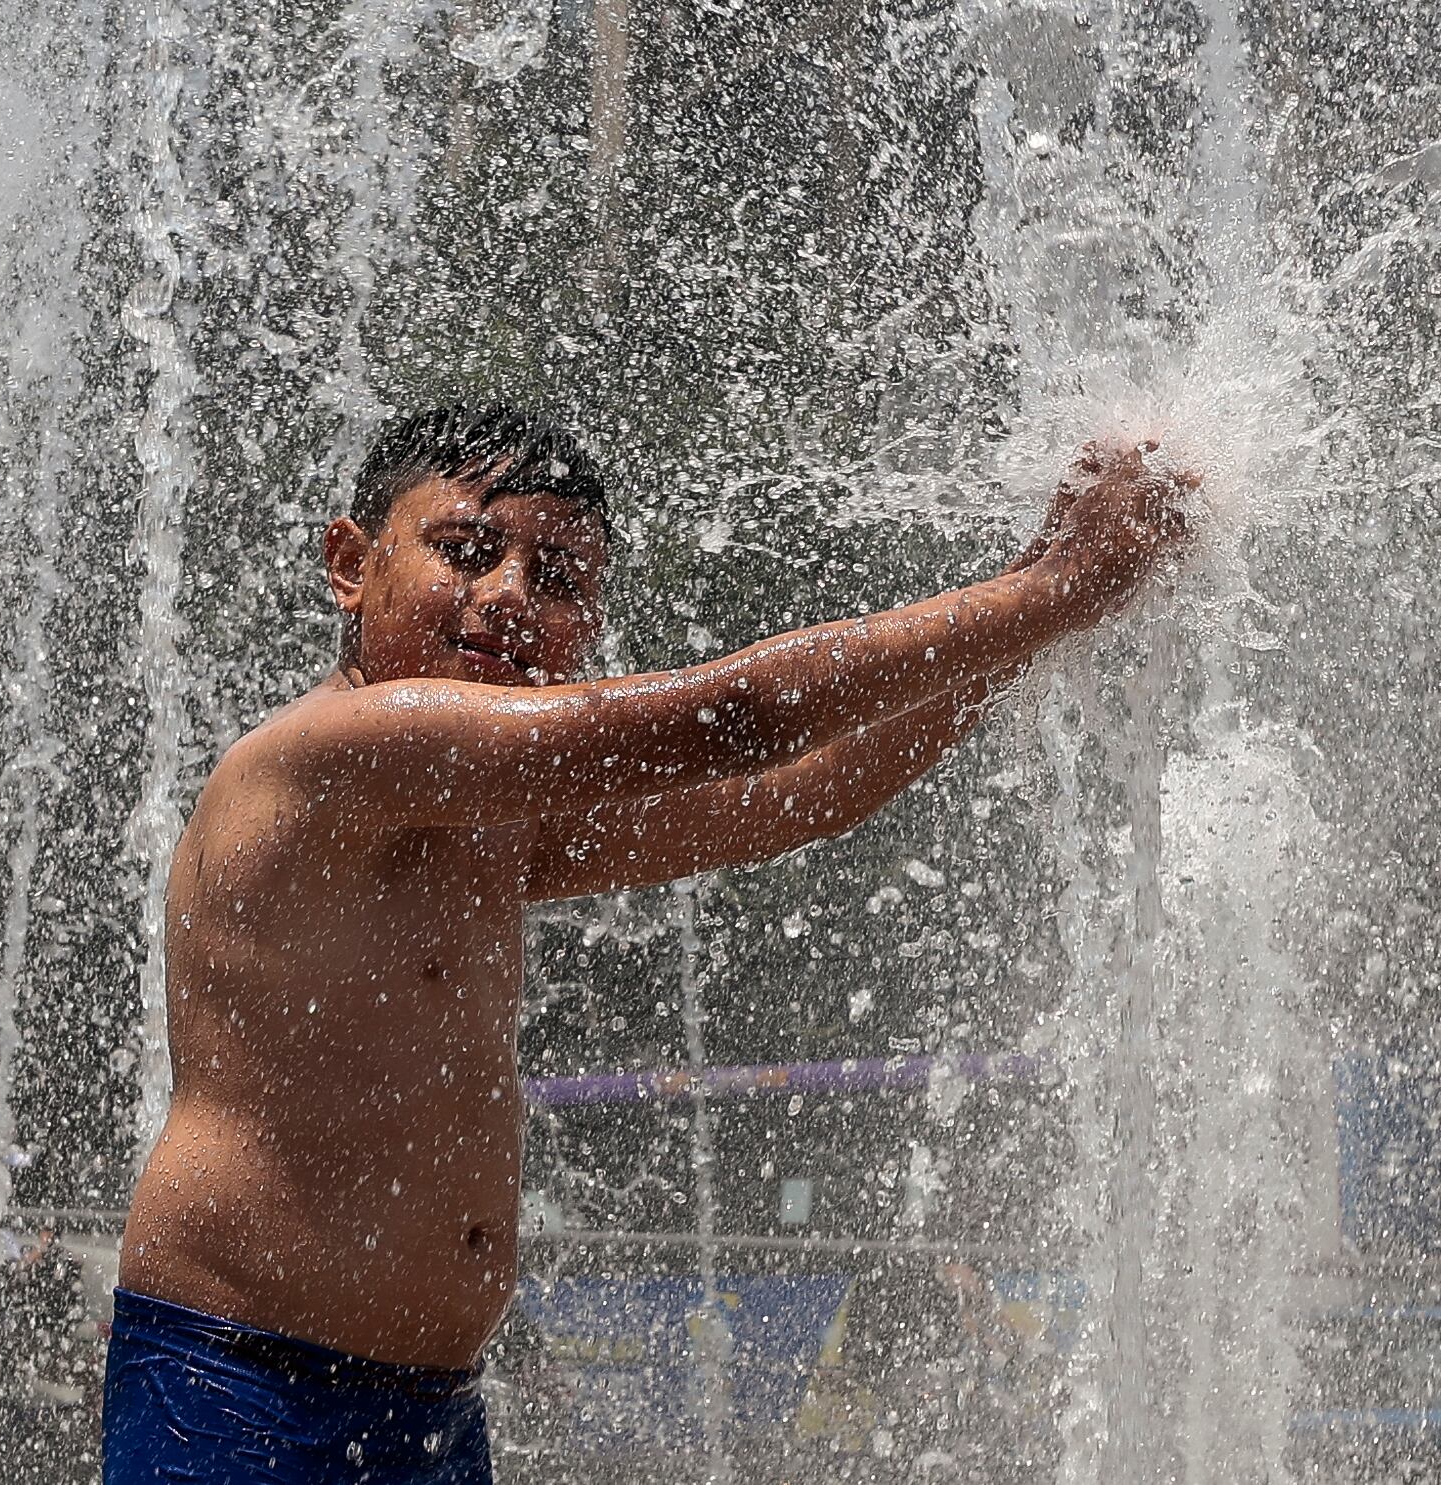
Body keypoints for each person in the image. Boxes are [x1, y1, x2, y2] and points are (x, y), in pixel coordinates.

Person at [106, 406, 1195, 1483]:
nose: (509, 599)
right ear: (350, 563)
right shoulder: (338, 752)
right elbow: (739, 716)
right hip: (238, 1382)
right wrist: (1049, 591)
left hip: (424, 1402)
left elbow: (794, 794)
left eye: (562, 579)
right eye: (467, 551)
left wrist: (1041, 608)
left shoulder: (472, 820)